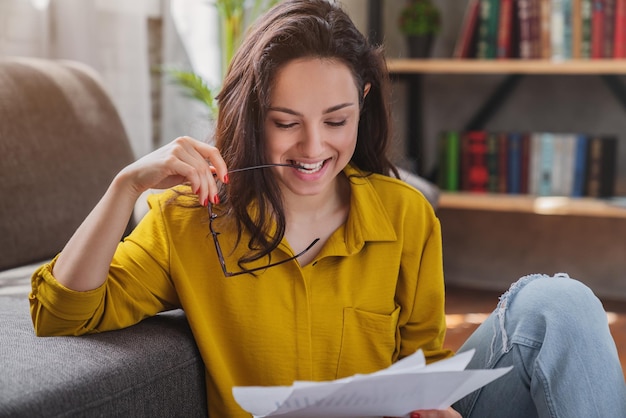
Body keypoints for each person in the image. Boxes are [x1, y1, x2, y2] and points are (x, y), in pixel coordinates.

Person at [29, 0, 626, 416]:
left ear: (363, 101)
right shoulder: (188, 220)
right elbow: (62, 312)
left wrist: (434, 406)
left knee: (559, 303)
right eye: (286, 123)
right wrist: (125, 187)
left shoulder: (405, 213)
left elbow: (424, 359)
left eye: (336, 121)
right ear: (251, 115)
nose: (314, 149)